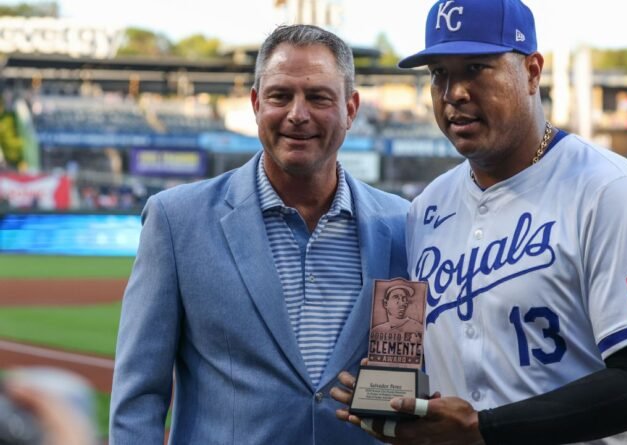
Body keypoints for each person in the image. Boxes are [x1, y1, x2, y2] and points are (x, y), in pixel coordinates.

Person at [331, 1, 627, 444]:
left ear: (531, 71)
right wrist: (392, 401)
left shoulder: (611, 191)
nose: (454, 93)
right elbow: (413, 359)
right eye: (439, 74)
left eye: (476, 68)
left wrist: (486, 431)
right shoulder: (427, 207)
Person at [110, 24, 408, 444]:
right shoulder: (176, 220)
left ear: (351, 108)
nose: (297, 114)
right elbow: (138, 397)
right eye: (280, 95)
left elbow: (403, 372)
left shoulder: (402, 224)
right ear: (255, 103)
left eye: (319, 97)